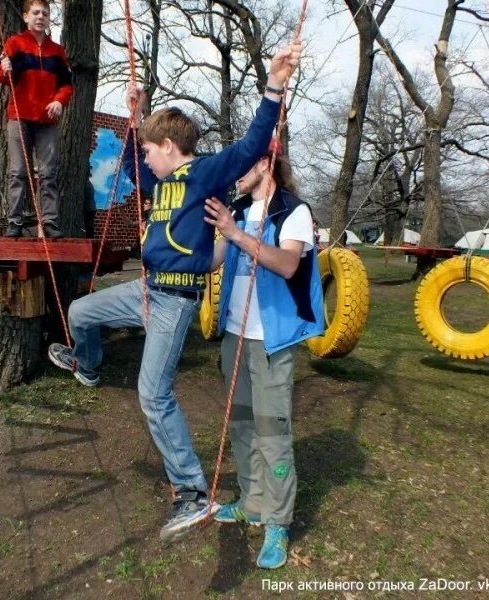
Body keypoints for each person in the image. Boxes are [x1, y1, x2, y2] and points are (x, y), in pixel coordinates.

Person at [47, 40, 303, 543]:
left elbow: (251, 146)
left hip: (173, 302)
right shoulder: (158, 181)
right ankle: (89, 365)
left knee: (153, 394)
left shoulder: (202, 173)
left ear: (168, 147)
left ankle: (191, 490)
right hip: (145, 288)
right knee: (79, 312)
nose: (145, 158)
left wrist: (274, 86)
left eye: (149, 148)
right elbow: (132, 166)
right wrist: (135, 115)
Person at [203, 146, 325, 569]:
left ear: (263, 165)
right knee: (240, 425)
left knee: (272, 433)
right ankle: (252, 501)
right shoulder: (236, 209)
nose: (235, 174)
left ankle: (277, 522)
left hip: (271, 342)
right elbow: (215, 258)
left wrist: (237, 234)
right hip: (234, 337)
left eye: (243, 166)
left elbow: (289, 265)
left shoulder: (293, 211)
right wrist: (182, 243)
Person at [0, 0, 73, 238]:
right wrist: (3, 67)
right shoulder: (15, 43)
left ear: (49, 18)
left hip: (46, 120)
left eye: (45, 13)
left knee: (48, 173)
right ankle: (15, 222)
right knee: (18, 171)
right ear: (26, 17)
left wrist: (59, 101)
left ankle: (50, 221)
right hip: (19, 116)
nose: (41, 16)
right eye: (36, 12)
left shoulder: (57, 51)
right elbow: (2, 76)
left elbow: (67, 84)